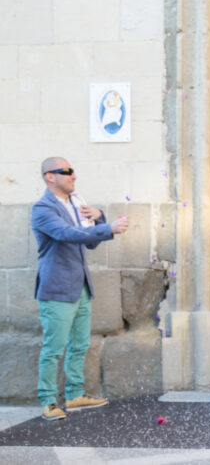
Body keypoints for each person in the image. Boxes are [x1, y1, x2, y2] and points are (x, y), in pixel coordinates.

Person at [30, 157, 129, 421]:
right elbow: (66, 234)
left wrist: (99, 220)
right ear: (50, 176)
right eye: (67, 172)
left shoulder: (76, 205)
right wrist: (109, 228)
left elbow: (89, 243)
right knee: (54, 347)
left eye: (73, 172)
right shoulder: (42, 209)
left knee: (80, 345)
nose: (73, 176)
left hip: (81, 286)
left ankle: (75, 395)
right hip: (57, 289)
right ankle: (48, 400)